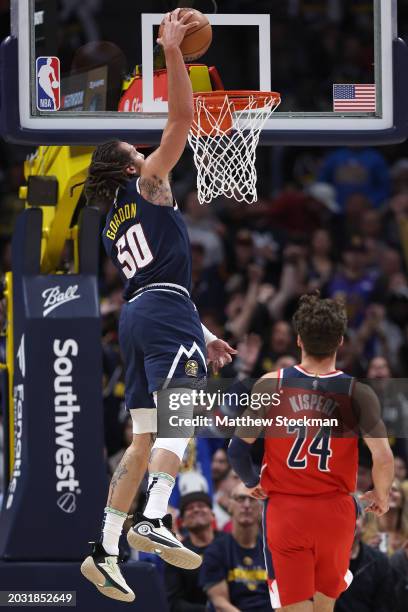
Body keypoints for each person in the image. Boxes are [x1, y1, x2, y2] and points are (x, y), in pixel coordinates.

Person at [80, 9, 236, 602]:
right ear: (129, 166)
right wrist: (174, 51)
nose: (146, 150)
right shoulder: (149, 185)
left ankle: (104, 547)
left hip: (142, 315)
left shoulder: (111, 220)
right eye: (135, 148)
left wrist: (204, 328)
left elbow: (157, 278)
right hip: (164, 313)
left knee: (144, 439)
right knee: (184, 417)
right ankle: (152, 517)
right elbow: (181, 119)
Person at [228, 291, 394, 612]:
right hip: (336, 514)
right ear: (340, 342)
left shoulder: (270, 384)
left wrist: (251, 481)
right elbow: (384, 458)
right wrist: (382, 495)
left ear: (299, 340)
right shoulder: (358, 393)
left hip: (287, 512)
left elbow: (237, 449)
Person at [200, 481, 271, 612]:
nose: (246, 505)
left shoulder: (272, 550)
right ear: (230, 506)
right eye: (240, 499)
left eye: (253, 499)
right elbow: (220, 603)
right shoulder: (215, 550)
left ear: (261, 508)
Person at [165, 491, 219, 611]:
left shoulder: (228, 542)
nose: (196, 510)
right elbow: (173, 603)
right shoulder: (176, 553)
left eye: (201, 505)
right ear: (182, 522)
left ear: (213, 515)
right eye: (189, 508)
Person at [334, 514, 395, 612]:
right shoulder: (320, 560)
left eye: (355, 516)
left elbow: (384, 606)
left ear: (364, 524)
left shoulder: (379, 561)